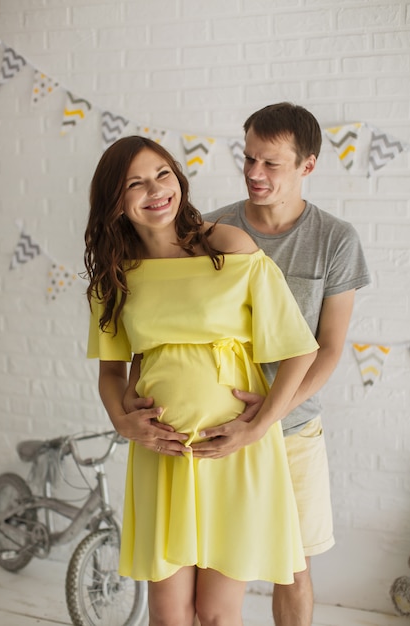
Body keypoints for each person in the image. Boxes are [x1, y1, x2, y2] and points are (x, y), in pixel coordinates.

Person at [84, 135, 319, 626]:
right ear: (116, 202)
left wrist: (257, 427)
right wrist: (123, 423)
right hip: (161, 452)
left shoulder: (228, 246)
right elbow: (111, 370)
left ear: (179, 178)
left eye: (163, 174)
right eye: (135, 183)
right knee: (169, 617)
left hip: (232, 451)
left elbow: (299, 348)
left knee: (215, 614)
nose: (155, 190)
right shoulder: (116, 275)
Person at [195, 102, 371, 626]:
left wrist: (266, 417)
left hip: (293, 430)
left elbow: (329, 347)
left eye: (271, 163)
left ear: (307, 166)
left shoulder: (335, 240)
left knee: (292, 566)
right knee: (215, 564)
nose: (253, 173)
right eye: (248, 158)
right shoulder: (209, 230)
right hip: (218, 426)